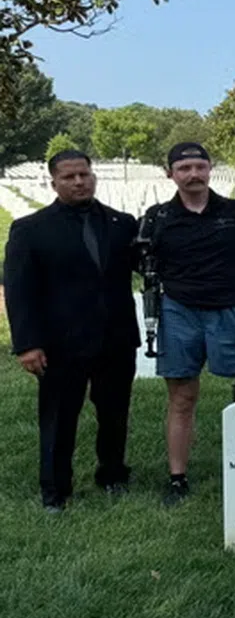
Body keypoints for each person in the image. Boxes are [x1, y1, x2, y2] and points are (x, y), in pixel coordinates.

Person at [4, 150, 139, 512]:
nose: (79, 182)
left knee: (114, 413)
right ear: (54, 182)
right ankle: (55, 490)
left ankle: (112, 474)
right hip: (60, 341)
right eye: (69, 177)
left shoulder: (121, 223)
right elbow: (19, 291)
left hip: (115, 337)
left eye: (84, 174)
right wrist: (27, 345)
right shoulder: (31, 229)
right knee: (59, 417)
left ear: (93, 176)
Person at [145, 143, 235, 506]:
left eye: (200, 166)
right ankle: (177, 477)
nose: (193, 174)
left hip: (230, 308)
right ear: (171, 174)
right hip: (179, 310)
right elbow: (143, 263)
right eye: (184, 168)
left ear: (210, 169)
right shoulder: (157, 217)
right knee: (182, 396)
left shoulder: (234, 211)